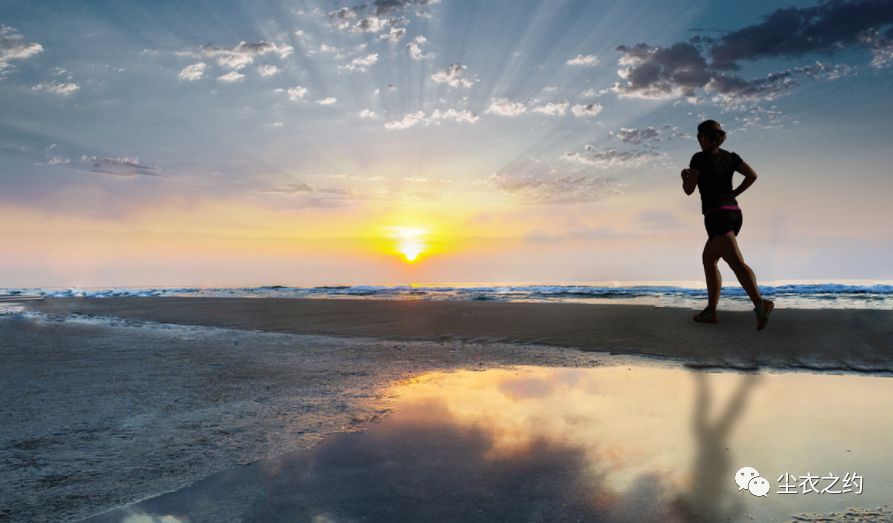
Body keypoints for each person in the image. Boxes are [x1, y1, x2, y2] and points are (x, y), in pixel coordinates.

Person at [681, 120, 774, 330]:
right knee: (709, 258)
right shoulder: (731, 157)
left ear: (708, 137)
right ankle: (710, 311)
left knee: (735, 262)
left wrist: (684, 176)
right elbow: (752, 175)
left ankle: (760, 304)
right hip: (734, 213)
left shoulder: (699, 158)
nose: (698, 140)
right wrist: (733, 194)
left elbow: (689, 189)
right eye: (697, 136)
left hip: (717, 215)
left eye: (700, 136)